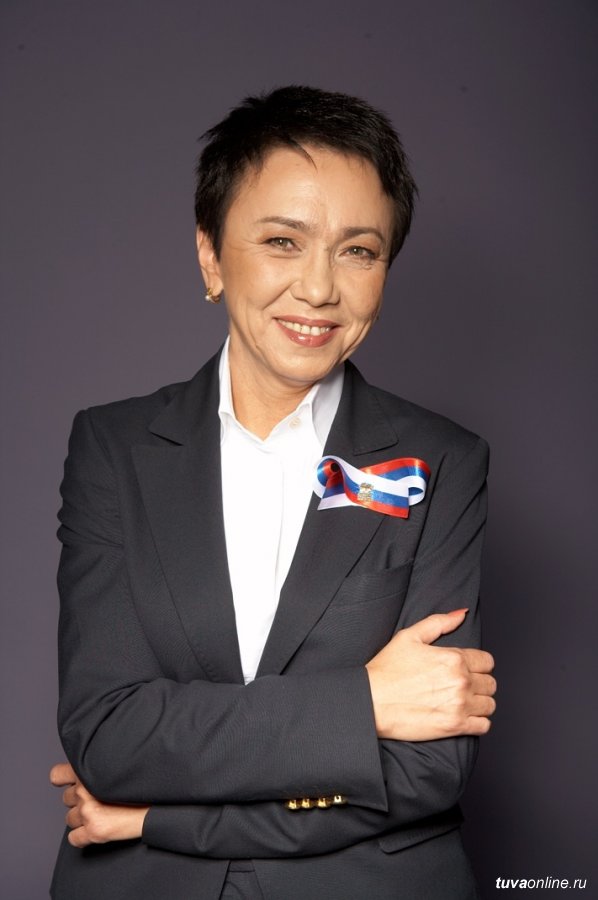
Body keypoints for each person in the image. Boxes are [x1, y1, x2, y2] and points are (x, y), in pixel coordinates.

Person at [49, 85, 496, 900]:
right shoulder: (113, 448)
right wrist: (364, 702)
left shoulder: (444, 460)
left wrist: (156, 818)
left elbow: (426, 770)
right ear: (211, 256)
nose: (320, 288)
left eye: (359, 251)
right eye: (283, 241)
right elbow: (108, 737)